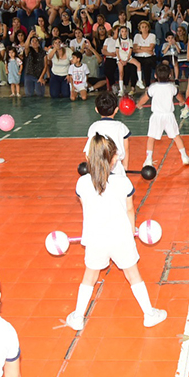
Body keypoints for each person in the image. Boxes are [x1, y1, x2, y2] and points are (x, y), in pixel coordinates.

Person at [66, 134, 168, 331]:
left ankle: (78, 317)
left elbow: (87, 205)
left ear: (88, 158)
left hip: (95, 239)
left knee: (90, 277)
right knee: (133, 275)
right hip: (121, 238)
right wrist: (131, 231)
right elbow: (130, 210)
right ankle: (149, 314)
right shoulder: (123, 183)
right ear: (114, 160)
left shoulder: (82, 184)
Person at [137, 64, 189, 168]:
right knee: (176, 136)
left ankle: (148, 159)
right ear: (170, 75)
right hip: (169, 116)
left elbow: (145, 98)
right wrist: (182, 102)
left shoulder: (153, 87)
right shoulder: (172, 87)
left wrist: (139, 104)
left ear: (156, 76)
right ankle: (184, 156)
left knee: (151, 138)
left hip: (156, 116)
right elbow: (179, 97)